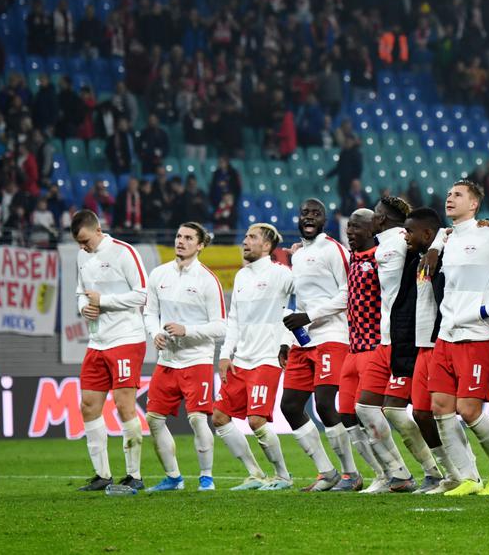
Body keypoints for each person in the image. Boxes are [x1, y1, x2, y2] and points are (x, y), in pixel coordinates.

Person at [426, 180, 489, 496]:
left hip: (477, 334)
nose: (450, 198)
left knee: (469, 410)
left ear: (474, 204)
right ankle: (468, 477)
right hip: (447, 334)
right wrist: (436, 243)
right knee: (440, 406)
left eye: (458, 195)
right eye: (448, 194)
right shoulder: (447, 239)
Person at [353, 199, 444, 494]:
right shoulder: (387, 245)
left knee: (409, 411)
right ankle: (399, 474)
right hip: (387, 336)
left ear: (380, 219)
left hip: (404, 338)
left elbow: (438, 233)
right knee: (367, 407)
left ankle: (439, 471)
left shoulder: (399, 242)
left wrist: (436, 243)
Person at [144, 222, 227, 492]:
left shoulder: (207, 280)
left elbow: (220, 326)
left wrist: (187, 330)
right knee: (153, 419)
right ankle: (173, 477)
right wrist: (155, 332)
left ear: (200, 245)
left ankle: (206, 477)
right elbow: (149, 312)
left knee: (197, 419)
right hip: (167, 360)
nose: (181, 241)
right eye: (179, 236)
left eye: (189, 238)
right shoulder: (158, 274)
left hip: (197, 360)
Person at [70, 209, 149, 493]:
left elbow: (142, 294)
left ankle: (134, 475)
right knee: (88, 405)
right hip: (97, 341)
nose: (83, 247)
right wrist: (84, 307)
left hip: (126, 339)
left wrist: (104, 301)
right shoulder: (82, 256)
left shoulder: (123, 252)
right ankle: (102, 475)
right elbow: (81, 292)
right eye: (79, 243)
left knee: (123, 404)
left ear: (98, 229)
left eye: (85, 240)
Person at [212, 223, 295, 491]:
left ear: (267, 246)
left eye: (252, 237)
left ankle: (283, 476)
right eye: (245, 236)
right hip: (241, 360)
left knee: (256, 420)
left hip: (267, 359)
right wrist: (225, 355)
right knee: (219, 417)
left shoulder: (280, 274)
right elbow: (234, 319)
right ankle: (255, 473)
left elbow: (302, 298)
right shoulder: (241, 276)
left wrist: (287, 341)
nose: (245, 241)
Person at [280, 198, 351, 491]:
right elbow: (297, 303)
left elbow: (350, 293)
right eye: (304, 212)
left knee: (323, 403)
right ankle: (326, 471)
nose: (309, 217)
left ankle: (350, 474)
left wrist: (309, 316)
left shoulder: (335, 250)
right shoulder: (296, 256)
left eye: (315, 213)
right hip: (303, 341)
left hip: (332, 336)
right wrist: (286, 341)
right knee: (290, 405)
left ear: (324, 220)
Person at [333, 207, 391, 493]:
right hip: (352, 350)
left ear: (373, 230)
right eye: (349, 227)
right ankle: (380, 473)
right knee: (346, 415)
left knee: (369, 414)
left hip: (374, 347)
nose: (350, 232)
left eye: (356, 227)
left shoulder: (383, 259)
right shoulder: (353, 257)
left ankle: (397, 472)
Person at [402, 207, 457, 493]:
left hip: (441, 342)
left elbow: (455, 232)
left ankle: (468, 469)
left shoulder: (446, 253)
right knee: (421, 413)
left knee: (444, 413)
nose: (405, 236)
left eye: (410, 231)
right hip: (420, 345)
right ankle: (449, 473)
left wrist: (437, 246)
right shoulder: (415, 259)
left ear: (427, 233)